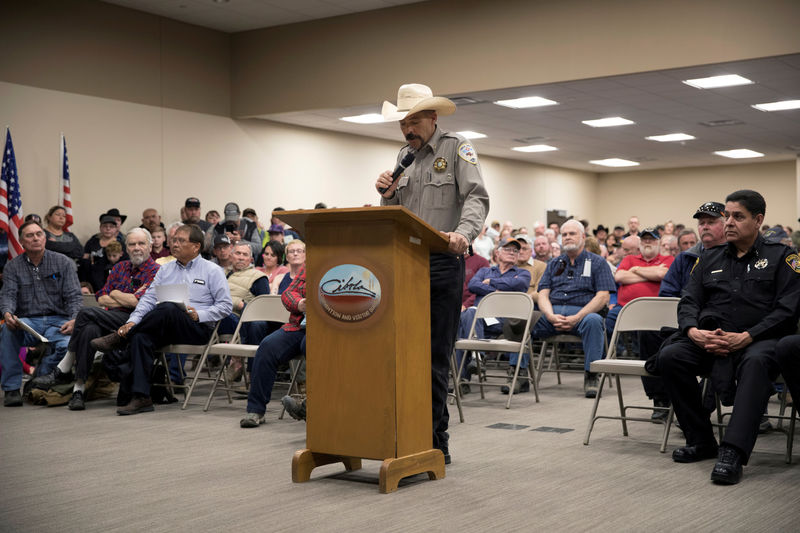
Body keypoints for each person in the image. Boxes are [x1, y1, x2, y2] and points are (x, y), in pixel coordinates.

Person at [375, 83, 489, 464]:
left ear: (433, 117)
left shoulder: (457, 147)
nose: (408, 129)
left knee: (433, 357)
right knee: (400, 353)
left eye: (414, 121)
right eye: (403, 123)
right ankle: (403, 431)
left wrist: (464, 234)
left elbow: (476, 196)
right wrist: (386, 194)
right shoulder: (403, 157)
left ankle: (436, 439)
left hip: (441, 263)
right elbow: (395, 213)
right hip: (404, 265)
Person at [656, 190, 800, 485]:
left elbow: (787, 311)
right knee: (671, 357)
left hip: (761, 340)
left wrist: (747, 336)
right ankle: (701, 440)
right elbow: (689, 301)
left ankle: (733, 452)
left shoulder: (783, 257)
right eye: (727, 216)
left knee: (756, 363)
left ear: (758, 220)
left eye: (738, 216)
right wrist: (692, 331)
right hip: (712, 337)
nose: (729, 222)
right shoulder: (708, 258)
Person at [90, 224, 232, 415]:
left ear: (196, 246)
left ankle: (121, 338)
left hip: (197, 328)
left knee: (168, 306)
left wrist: (200, 314)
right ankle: (142, 397)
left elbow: (225, 306)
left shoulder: (212, 271)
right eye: (174, 240)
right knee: (142, 337)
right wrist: (132, 321)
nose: (175, 244)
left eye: (181, 240)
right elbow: (148, 299)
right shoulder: (165, 270)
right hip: (166, 326)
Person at [31, 228, 159, 410]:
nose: (136, 248)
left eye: (141, 243)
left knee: (85, 313)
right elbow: (101, 297)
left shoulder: (156, 271)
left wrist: (116, 293)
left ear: (150, 246)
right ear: (126, 248)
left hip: (135, 322)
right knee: (89, 329)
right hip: (111, 318)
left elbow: (137, 303)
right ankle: (78, 390)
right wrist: (121, 297)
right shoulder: (119, 267)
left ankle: (64, 367)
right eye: (132, 244)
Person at [531, 220, 616, 398]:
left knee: (594, 321)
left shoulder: (598, 262)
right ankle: (519, 372)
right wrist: (550, 315)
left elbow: (603, 297)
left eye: (572, 233)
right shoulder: (554, 263)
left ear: (583, 237)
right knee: (524, 320)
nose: (568, 237)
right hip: (552, 314)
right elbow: (543, 294)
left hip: (583, 314)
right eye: (565, 234)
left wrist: (577, 316)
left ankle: (591, 375)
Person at [1, 221, 81, 406]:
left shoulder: (63, 262)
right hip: (28, 322)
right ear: (21, 241)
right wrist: (7, 313)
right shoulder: (12, 267)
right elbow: (8, 295)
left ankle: (40, 378)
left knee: (68, 345)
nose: (35, 238)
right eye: (30, 235)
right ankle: (11, 389)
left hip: (58, 320)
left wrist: (75, 319)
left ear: (45, 238)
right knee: (7, 331)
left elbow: (74, 296)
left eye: (39, 234)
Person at [455, 239, 530, 389]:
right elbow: (473, 285)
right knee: (468, 316)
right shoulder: (484, 271)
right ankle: (474, 362)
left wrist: (491, 283)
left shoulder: (522, 273)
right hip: (479, 321)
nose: (512, 253)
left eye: (515, 251)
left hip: (503, 322)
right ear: (497, 253)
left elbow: (520, 284)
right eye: (508, 249)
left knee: (468, 319)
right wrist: (498, 291)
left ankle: (465, 376)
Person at [240, 265, 306, 428]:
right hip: (298, 326)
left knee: (310, 345)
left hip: (328, 329)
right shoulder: (314, 264)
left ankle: (311, 406)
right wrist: (299, 303)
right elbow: (288, 293)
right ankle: (256, 410)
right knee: (267, 346)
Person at [220, 242, 270, 382]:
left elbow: (263, 306)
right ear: (231, 256)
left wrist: (240, 305)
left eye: (245, 254)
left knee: (255, 323)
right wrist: (237, 302)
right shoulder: (220, 273)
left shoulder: (258, 277)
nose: (241, 257)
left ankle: (242, 365)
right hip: (219, 316)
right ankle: (236, 358)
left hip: (242, 319)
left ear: (251, 260)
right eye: (238, 253)